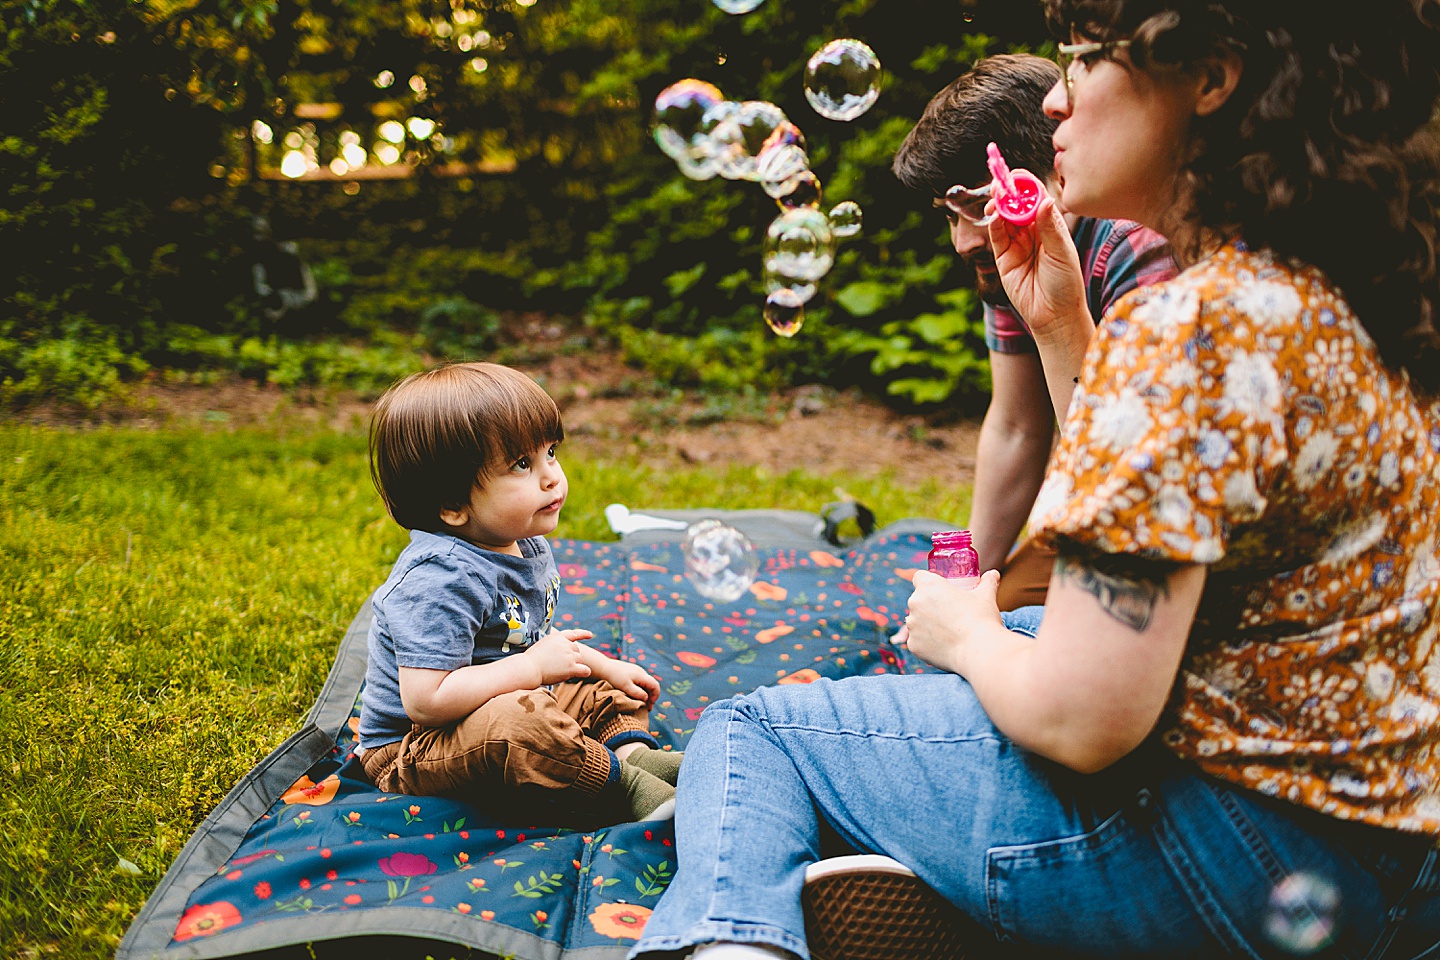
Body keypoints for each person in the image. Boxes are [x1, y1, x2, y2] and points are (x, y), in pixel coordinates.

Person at [629, 3, 1440, 958]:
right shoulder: (1337, 297)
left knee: (752, 728)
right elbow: (1166, 494)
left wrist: (966, 633)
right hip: (1390, 853)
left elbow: (1081, 720)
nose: (1055, 97)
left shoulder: (1194, 324)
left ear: (1213, 79)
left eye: (1085, 58)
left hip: (1230, 859)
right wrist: (1062, 326)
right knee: (1017, 630)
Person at [892, 54, 1177, 610]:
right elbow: (1019, 425)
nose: (963, 241)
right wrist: (968, 585)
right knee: (986, 614)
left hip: (1165, 519)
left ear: (1049, 165)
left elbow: (1138, 467)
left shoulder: (1132, 244)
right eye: (950, 215)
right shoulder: (1008, 259)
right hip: (1099, 499)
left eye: (977, 205)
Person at [355, 362, 681, 824]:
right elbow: (426, 701)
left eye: (550, 452)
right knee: (519, 721)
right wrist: (531, 668)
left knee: (598, 676)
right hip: (418, 748)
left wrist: (602, 667)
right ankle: (619, 787)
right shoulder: (438, 580)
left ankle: (631, 755)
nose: (551, 476)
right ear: (452, 505)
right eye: (521, 465)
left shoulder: (521, 541)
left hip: (503, 698)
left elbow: (522, 640)